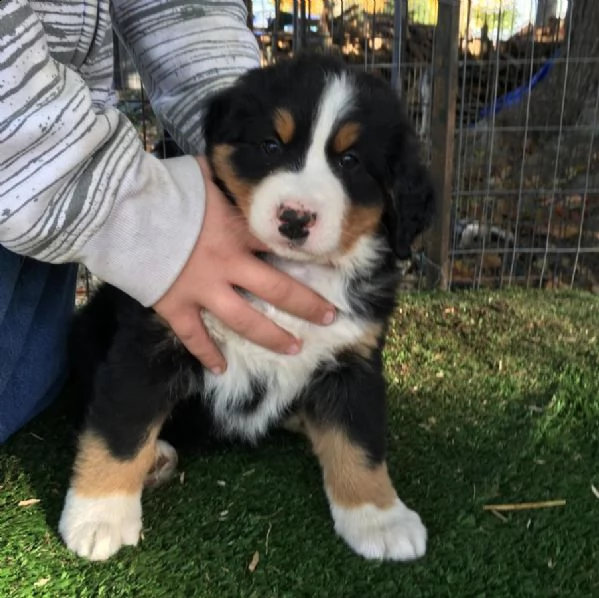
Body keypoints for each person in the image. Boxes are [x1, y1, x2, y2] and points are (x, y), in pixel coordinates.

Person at [0, 0, 336, 443]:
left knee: (36, 387)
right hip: (32, 169)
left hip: (37, 235)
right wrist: (147, 218)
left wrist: (245, 145)